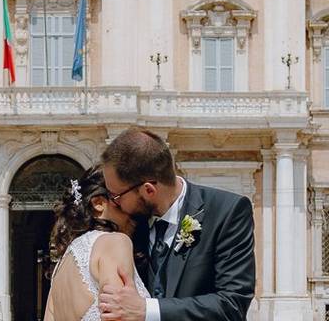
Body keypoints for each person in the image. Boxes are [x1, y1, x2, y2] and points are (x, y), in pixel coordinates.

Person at [98, 127, 255, 321]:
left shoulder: (227, 211)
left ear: (148, 190)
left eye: (116, 195)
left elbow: (232, 304)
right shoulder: (129, 223)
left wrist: (147, 310)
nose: (114, 202)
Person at [44, 165, 150, 321]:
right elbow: (120, 315)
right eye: (125, 199)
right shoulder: (114, 242)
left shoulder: (60, 267)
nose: (135, 210)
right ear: (98, 202)